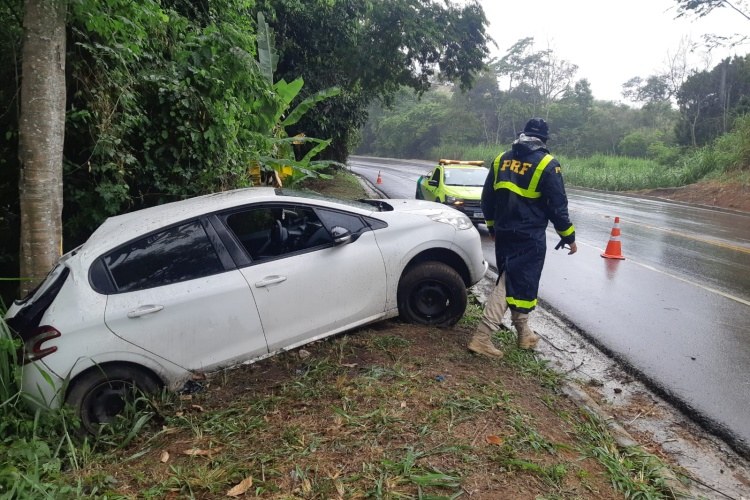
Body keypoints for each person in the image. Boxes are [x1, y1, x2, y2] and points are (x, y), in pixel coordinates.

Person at [468, 118, 577, 358]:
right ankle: (482, 337)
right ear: (544, 140)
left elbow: (487, 198)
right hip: (529, 235)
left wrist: (492, 226)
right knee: (510, 282)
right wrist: (568, 236)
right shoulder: (548, 164)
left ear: (523, 134)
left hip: (505, 231)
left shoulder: (501, 159)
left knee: (515, 280)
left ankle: (524, 334)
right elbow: (557, 206)